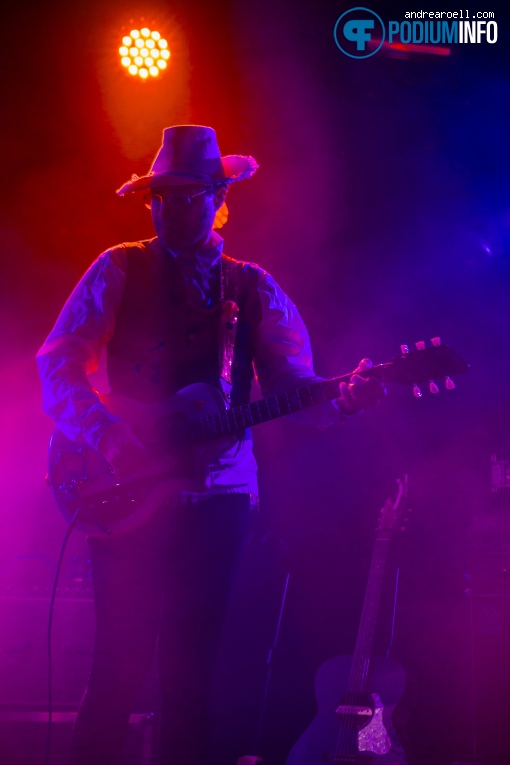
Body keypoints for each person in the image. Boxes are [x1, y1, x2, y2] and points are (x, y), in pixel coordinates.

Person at [36, 125, 385, 765]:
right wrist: (108, 434)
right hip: (125, 496)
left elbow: (295, 390)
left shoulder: (251, 288)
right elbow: (57, 363)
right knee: (116, 668)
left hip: (219, 500)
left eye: (185, 196)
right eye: (160, 197)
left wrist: (345, 398)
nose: (169, 208)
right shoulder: (118, 267)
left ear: (218, 197)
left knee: (191, 678)